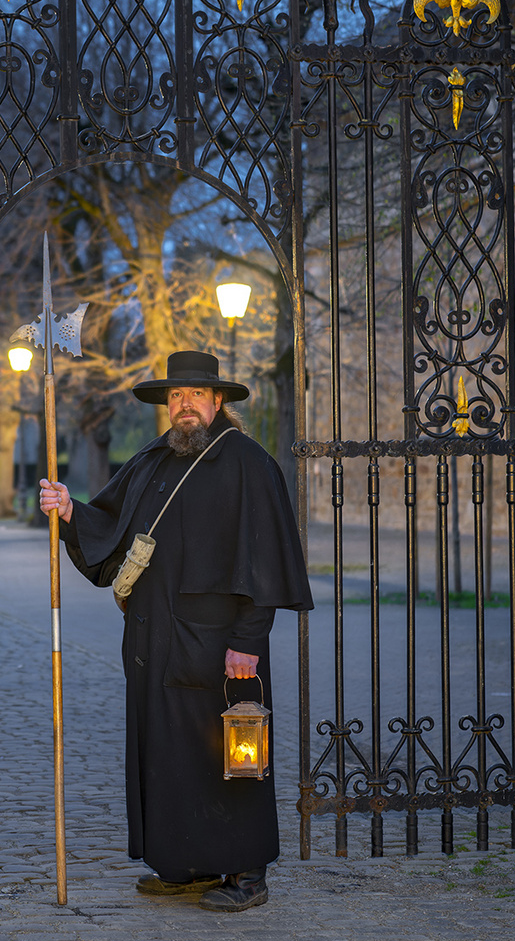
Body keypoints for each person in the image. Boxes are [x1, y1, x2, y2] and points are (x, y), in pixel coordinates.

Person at [38, 350, 312, 912]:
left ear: (218, 402)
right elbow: (111, 524)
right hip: (152, 641)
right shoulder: (153, 459)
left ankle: (246, 873)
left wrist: (248, 641)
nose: (184, 406)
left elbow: (268, 561)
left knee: (228, 756)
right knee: (166, 753)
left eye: (195, 396)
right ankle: (186, 863)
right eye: (175, 397)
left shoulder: (247, 462)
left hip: (218, 646)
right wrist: (69, 510)